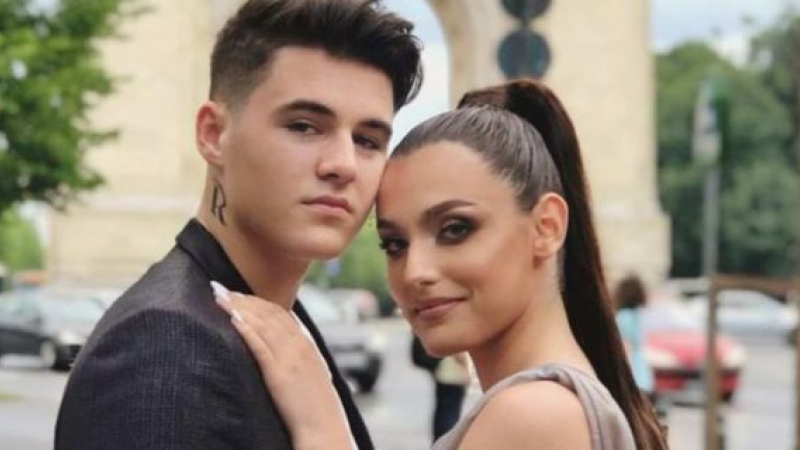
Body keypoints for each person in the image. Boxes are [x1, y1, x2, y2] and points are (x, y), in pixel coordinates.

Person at [214, 79, 669, 449]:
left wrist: (321, 426)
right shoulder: (548, 403)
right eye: (394, 244)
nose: (415, 272)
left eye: (455, 229)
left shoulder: (536, 414)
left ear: (546, 227)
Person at [54, 1, 422, 449]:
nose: (343, 164)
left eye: (367, 140)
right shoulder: (165, 347)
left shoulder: (275, 318)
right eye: (304, 126)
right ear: (213, 135)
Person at [411, 334, 469, 442]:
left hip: (442, 373)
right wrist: (465, 369)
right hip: (453, 375)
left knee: (442, 411)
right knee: (450, 413)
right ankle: (446, 441)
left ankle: (439, 441)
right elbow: (458, 353)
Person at [614, 274, 656, 401]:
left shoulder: (622, 317)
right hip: (644, 376)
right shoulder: (639, 316)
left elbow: (625, 348)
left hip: (632, 376)